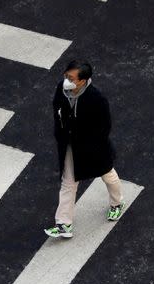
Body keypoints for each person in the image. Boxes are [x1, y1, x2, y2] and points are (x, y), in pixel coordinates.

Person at [44, 60, 125, 239]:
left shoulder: (96, 99)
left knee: (107, 174)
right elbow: (56, 110)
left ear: (83, 80)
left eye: (71, 78)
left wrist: (92, 144)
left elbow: (105, 127)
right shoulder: (61, 89)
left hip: (93, 147)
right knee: (68, 182)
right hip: (70, 145)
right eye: (66, 76)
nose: (66, 80)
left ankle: (116, 203)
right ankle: (64, 224)